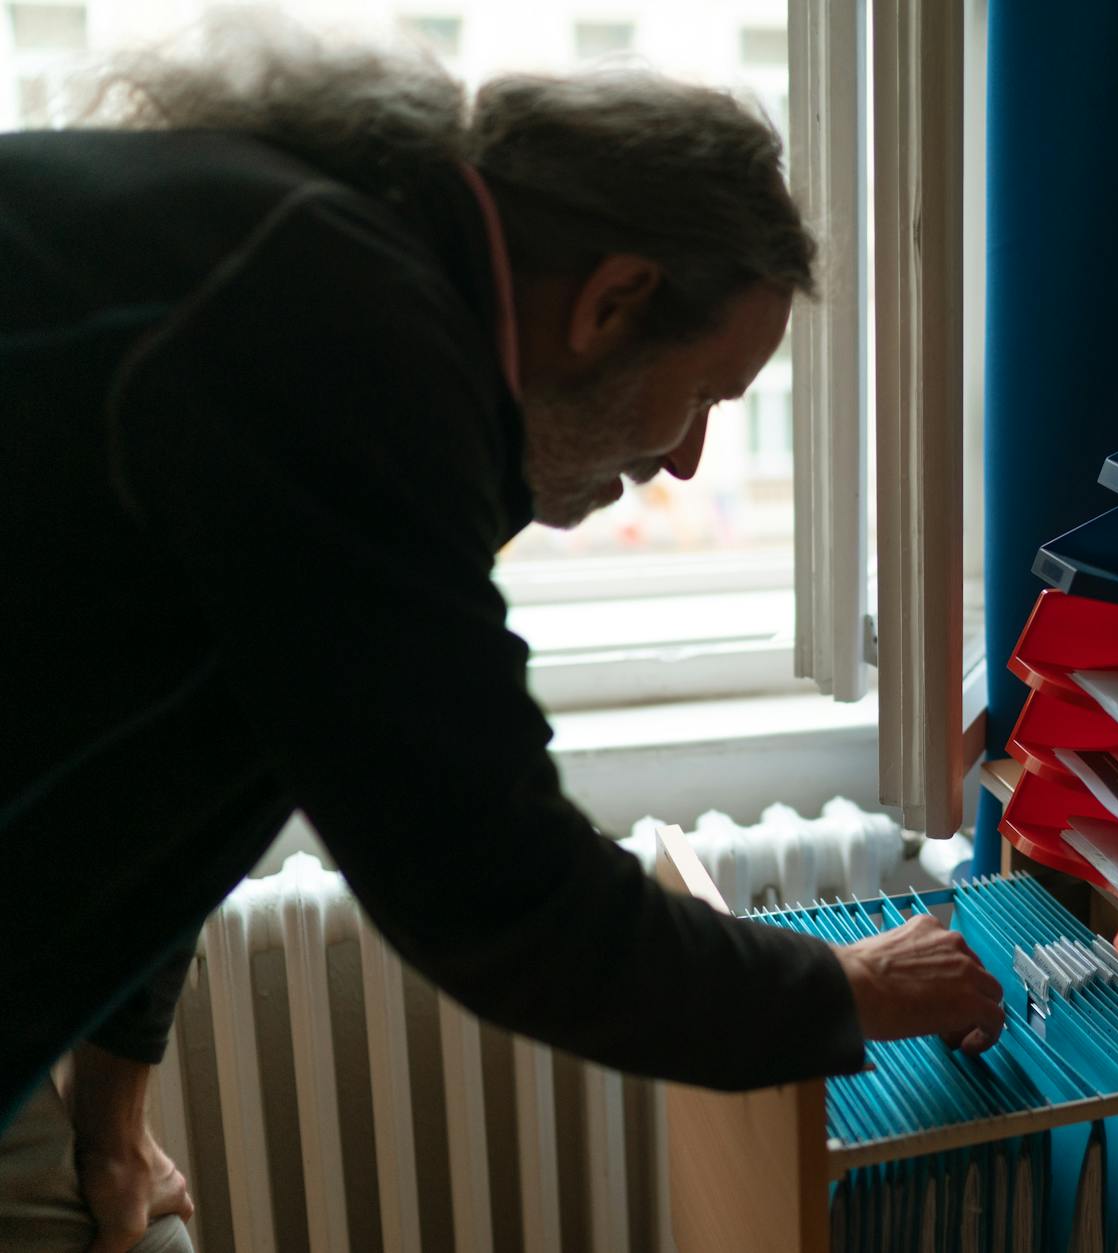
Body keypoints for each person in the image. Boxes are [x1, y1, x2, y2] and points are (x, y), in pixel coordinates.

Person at [0, 19, 1004, 1251]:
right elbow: (496, 886)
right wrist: (845, 988)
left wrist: (112, 1109)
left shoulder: (321, 260)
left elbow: (217, 743)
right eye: (704, 394)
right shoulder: (343, 335)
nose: (684, 457)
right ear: (613, 299)